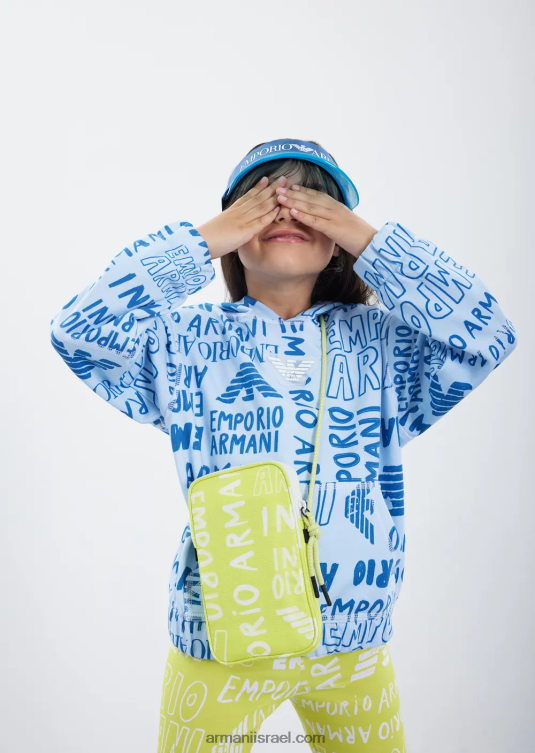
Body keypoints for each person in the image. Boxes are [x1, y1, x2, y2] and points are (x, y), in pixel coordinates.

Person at [49, 138, 518, 752]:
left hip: (355, 640)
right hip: (222, 636)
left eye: (313, 202)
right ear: (236, 228)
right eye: (263, 201)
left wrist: (370, 240)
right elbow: (78, 331)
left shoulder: (386, 345)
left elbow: (489, 334)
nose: (288, 210)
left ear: (337, 242)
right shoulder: (184, 342)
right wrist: (203, 240)